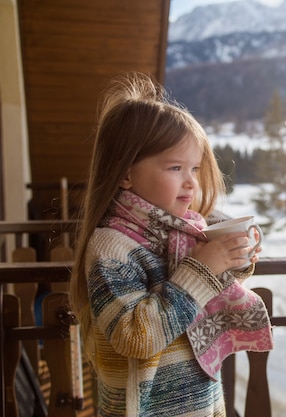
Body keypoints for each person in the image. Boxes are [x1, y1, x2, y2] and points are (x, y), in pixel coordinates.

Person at [69, 72, 273, 417]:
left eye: (194, 168)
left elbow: (198, 298)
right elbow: (136, 337)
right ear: (125, 174)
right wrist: (204, 268)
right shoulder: (111, 247)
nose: (191, 182)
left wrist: (231, 260)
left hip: (202, 403)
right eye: (175, 167)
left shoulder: (180, 231)